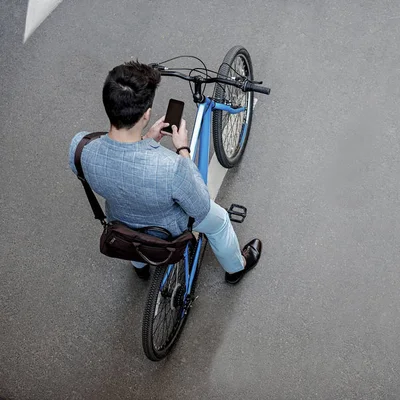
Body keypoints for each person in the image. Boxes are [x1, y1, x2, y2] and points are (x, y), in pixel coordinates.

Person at [68, 61, 261, 284]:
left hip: (120, 221)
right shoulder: (171, 167)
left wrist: (145, 140)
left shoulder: (81, 148)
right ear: (146, 115)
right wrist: (183, 149)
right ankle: (236, 268)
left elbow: (120, 166)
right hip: (167, 230)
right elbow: (200, 206)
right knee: (220, 221)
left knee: (128, 219)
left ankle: (140, 266)